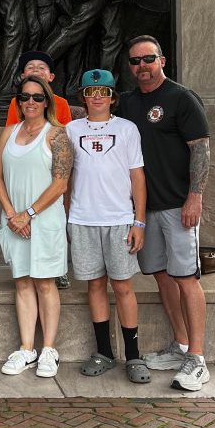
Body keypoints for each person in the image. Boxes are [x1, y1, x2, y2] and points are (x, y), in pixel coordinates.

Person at [118, 35, 211, 392]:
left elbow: (200, 150)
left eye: (148, 59)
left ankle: (198, 359)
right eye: (135, 61)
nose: (142, 66)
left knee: (187, 278)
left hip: (177, 206)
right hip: (145, 209)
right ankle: (181, 345)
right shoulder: (127, 103)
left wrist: (195, 197)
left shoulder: (181, 98)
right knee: (161, 276)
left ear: (162, 60)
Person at [66, 69, 149, 383]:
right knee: (95, 285)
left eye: (103, 92)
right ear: (83, 98)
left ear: (113, 97)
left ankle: (134, 356)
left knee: (123, 286)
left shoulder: (127, 129)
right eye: (91, 92)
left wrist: (138, 220)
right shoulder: (71, 130)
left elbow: (137, 177)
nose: (97, 97)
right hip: (83, 218)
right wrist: (66, 216)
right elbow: (65, 177)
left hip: (119, 219)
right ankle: (103, 352)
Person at [0, 75, 73, 378]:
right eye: (24, 96)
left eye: (37, 97)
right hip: (14, 221)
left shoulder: (57, 135)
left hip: (43, 220)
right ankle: (27, 348)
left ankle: (48, 349)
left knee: (44, 282)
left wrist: (27, 214)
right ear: (18, 101)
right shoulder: (9, 133)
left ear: (47, 101)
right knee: (23, 282)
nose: (30, 102)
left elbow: (61, 184)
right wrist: (12, 214)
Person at [4, 51, 73, 127]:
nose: (35, 70)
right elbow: (11, 130)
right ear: (23, 76)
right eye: (30, 67)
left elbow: (67, 131)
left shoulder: (62, 103)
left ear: (51, 77)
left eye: (41, 68)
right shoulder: (15, 102)